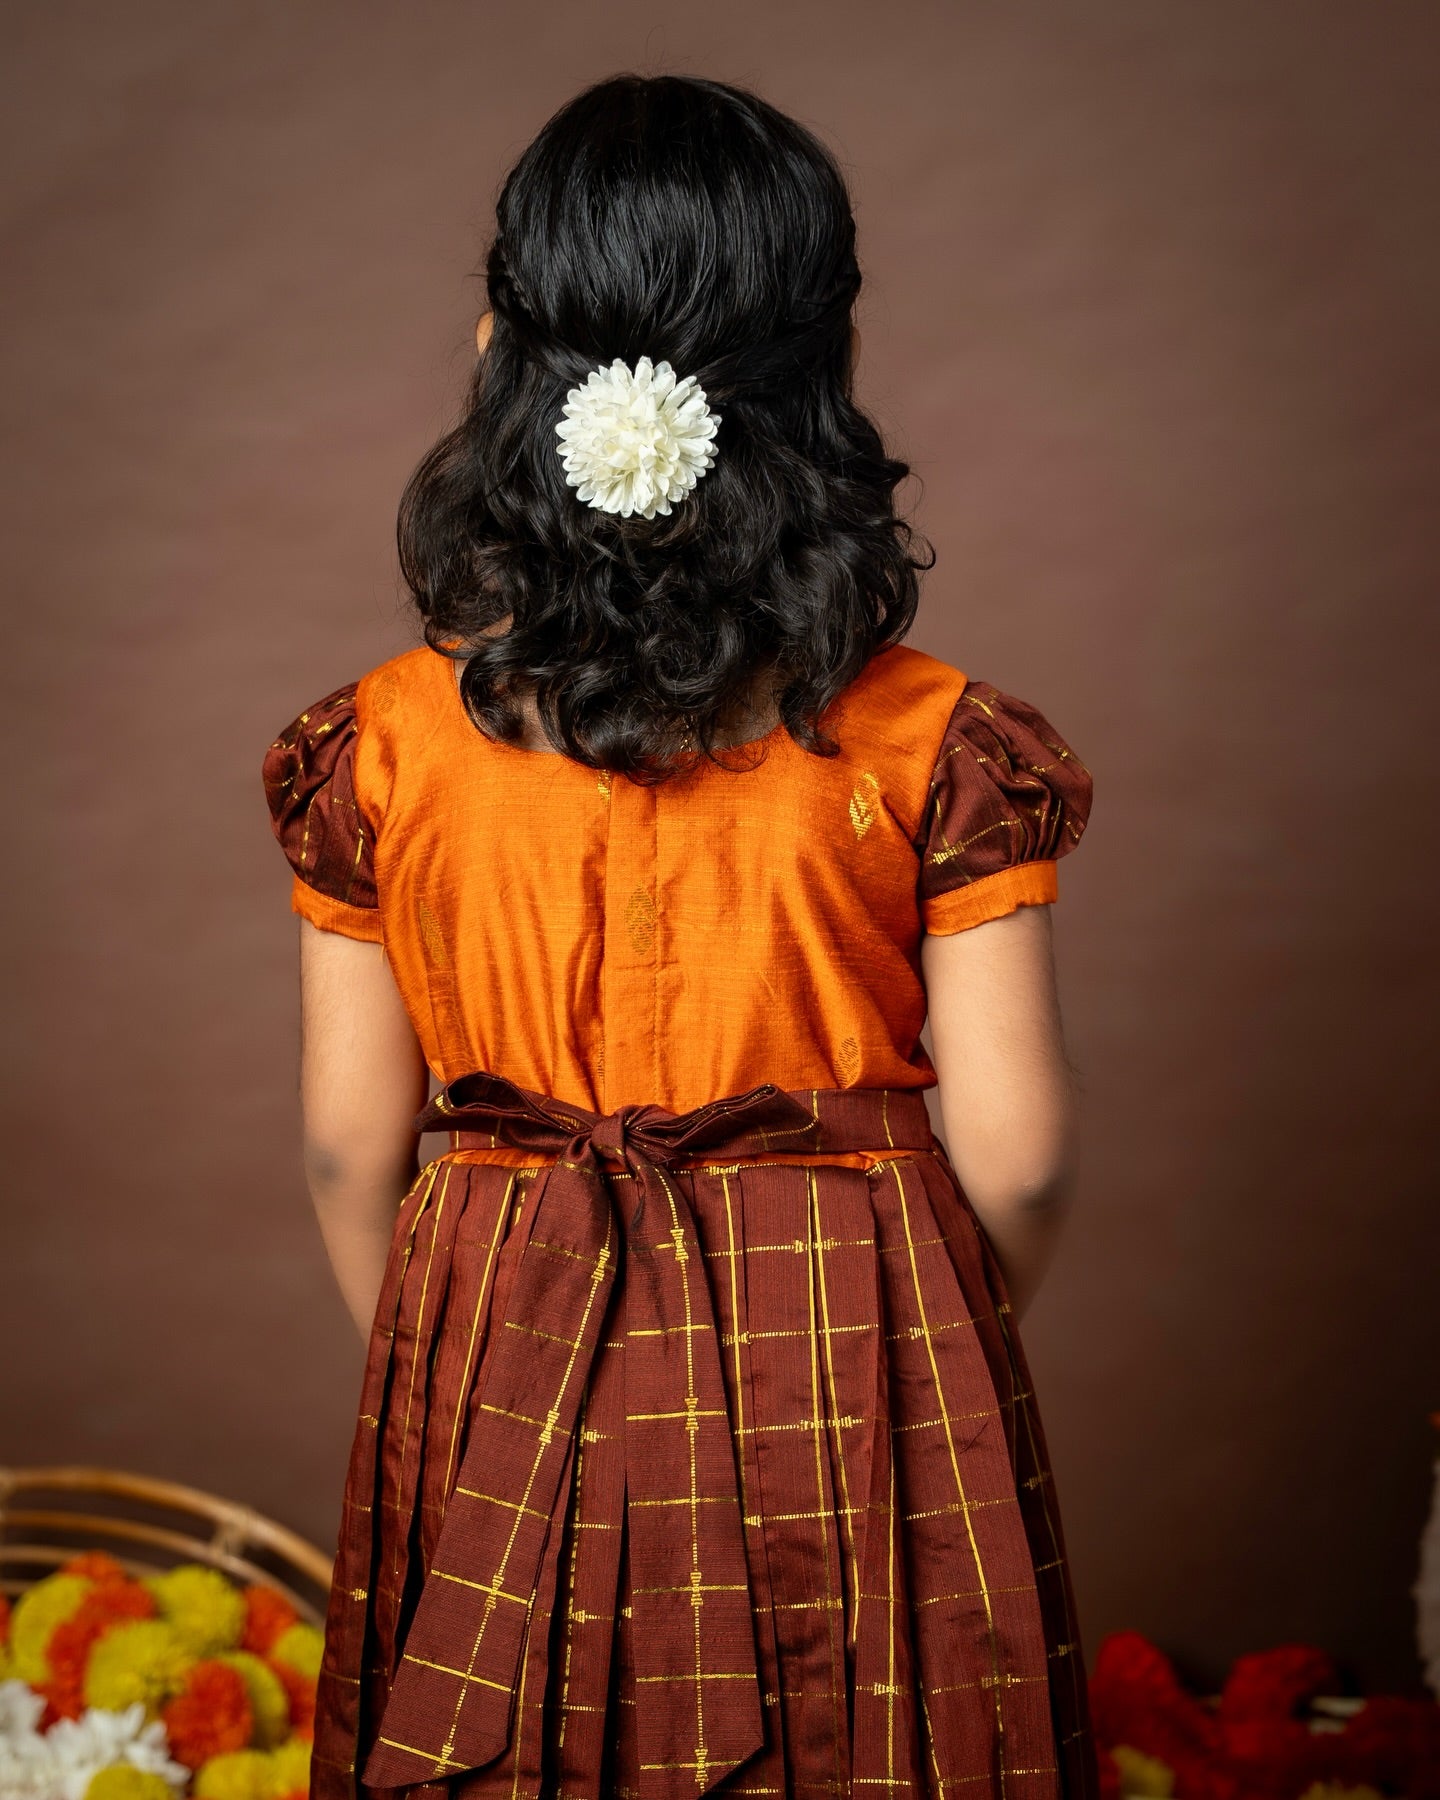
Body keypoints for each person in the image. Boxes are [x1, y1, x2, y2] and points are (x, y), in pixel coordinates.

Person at [263, 73, 1098, 1800]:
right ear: (819, 375)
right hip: (856, 1351)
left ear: (501, 353)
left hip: (502, 1321)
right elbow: (1017, 1159)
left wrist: (465, 1352)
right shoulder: (938, 738)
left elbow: (350, 1145)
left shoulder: (380, 744)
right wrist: (900, 1343)